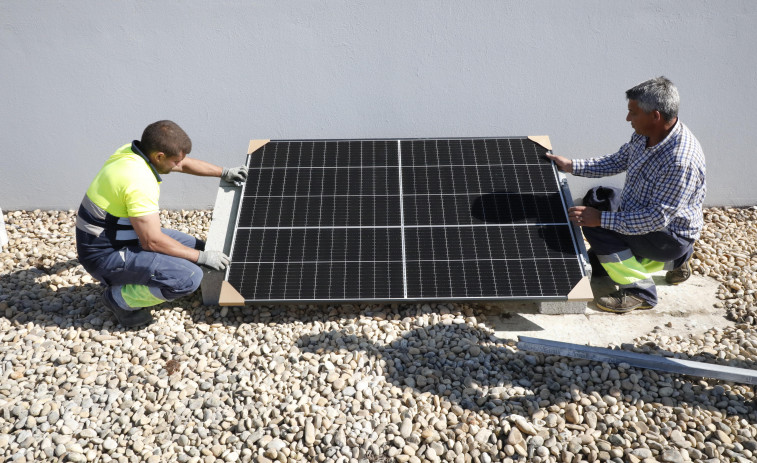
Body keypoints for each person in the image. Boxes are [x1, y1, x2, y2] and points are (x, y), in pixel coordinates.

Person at [546, 76, 706, 313]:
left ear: (655, 115)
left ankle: (640, 292)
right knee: (599, 197)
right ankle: (677, 261)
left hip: (669, 236)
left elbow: (654, 219)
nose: (628, 118)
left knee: (593, 224)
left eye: (633, 113)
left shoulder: (680, 162)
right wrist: (572, 165)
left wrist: (600, 220)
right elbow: (619, 160)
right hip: (646, 215)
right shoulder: (647, 133)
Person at [76, 120, 248, 327]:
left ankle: (152, 275)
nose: (179, 165)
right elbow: (152, 242)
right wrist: (203, 258)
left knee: (197, 250)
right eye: (175, 161)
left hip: (119, 235)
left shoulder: (131, 152)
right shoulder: (139, 181)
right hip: (104, 255)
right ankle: (119, 300)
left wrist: (225, 172)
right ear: (159, 156)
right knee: (190, 276)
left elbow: (184, 163)